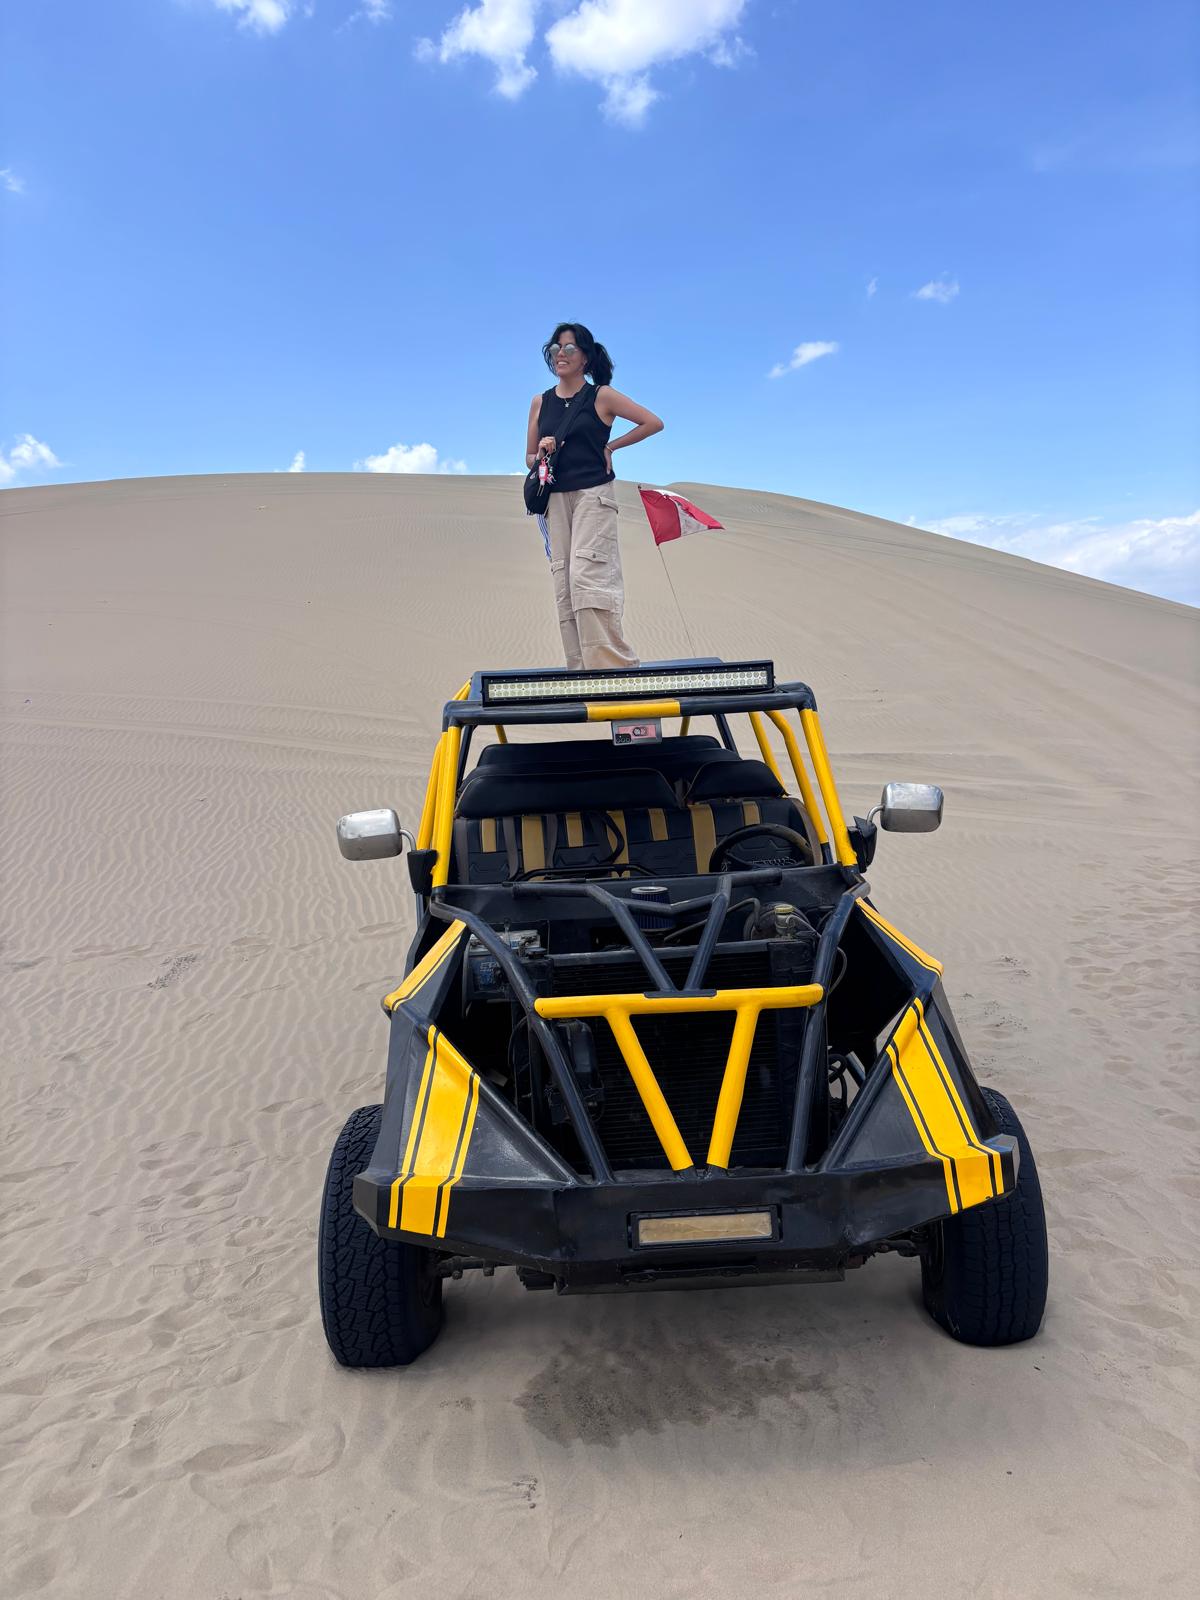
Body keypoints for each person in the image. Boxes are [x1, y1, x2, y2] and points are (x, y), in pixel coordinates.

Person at [526, 322, 663, 670]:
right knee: (564, 582)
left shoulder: (601, 396)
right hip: (555, 499)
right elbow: (528, 458)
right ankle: (580, 669)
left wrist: (611, 446)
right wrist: (542, 452)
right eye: (556, 348)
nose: (561, 354)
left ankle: (615, 668)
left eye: (570, 348)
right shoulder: (540, 402)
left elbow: (652, 422)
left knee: (588, 577)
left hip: (593, 494)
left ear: (585, 356)